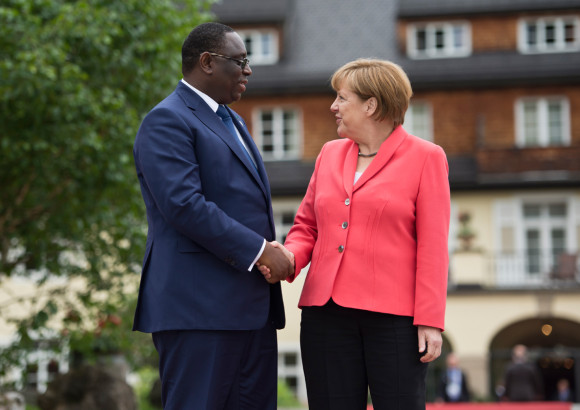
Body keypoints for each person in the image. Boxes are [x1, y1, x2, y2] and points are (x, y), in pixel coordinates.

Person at [260, 58, 450, 410]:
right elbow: (307, 226)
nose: (333, 107)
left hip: (394, 319)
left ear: (371, 104)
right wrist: (289, 257)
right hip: (325, 314)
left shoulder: (427, 158)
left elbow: (433, 246)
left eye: (342, 98)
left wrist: (430, 319)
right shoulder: (329, 154)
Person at [132, 22, 293, 410]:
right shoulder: (167, 120)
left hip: (250, 309)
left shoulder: (232, 120)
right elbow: (184, 205)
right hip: (199, 310)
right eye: (239, 61)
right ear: (206, 62)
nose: (248, 71)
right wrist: (260, 251)